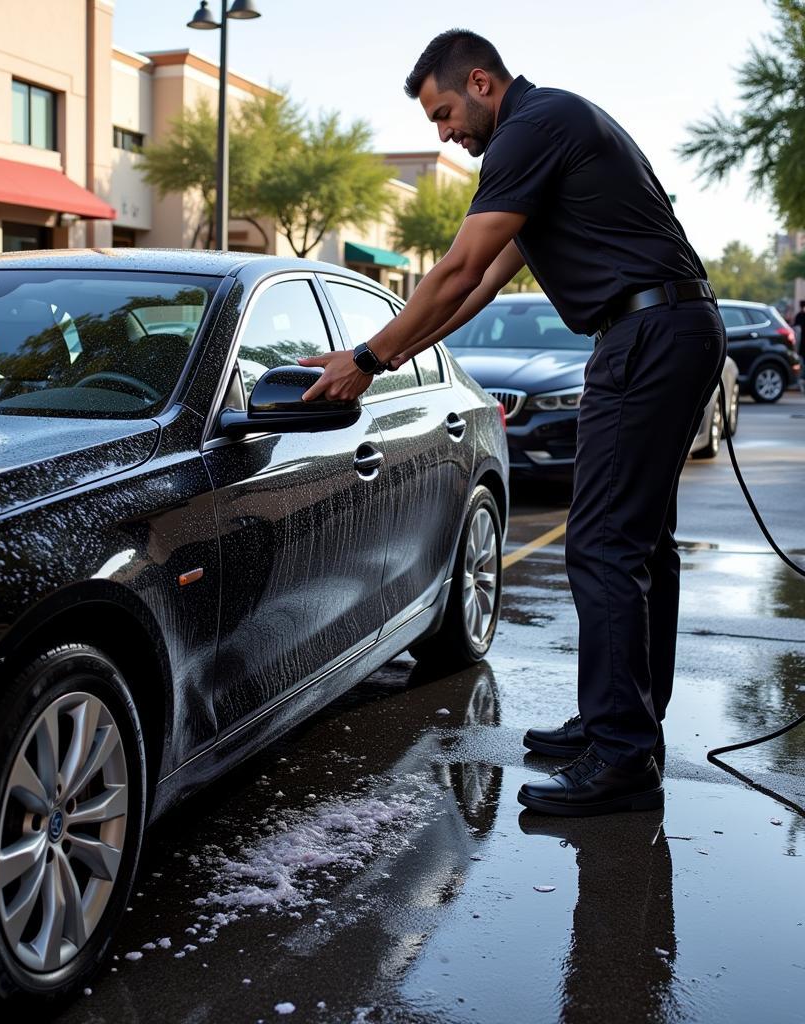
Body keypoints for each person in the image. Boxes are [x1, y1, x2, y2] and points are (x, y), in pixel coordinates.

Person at [298, 30, 726, 816]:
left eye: (445, 112)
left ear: (483, 82)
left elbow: (458, 265)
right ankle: (623, 729)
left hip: (648, 336)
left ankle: (623, 757)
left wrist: (364, 356)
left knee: (601, 545)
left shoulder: (530, 130)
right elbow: (479, 289)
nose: (445, 133)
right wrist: (382, 358)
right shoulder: (545, 137)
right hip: (668, 331)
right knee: (639, 546)